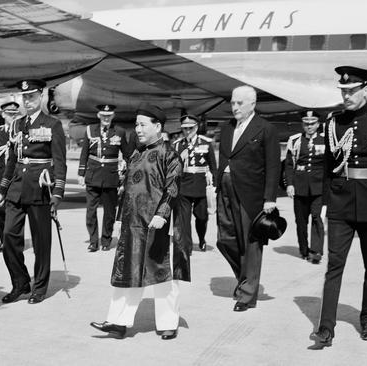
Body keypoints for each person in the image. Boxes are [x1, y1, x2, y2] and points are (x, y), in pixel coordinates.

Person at [313, 66, 367, 346]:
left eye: (352, 91)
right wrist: (326, 202)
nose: (347, 96)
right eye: (343, 91)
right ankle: (326, 327)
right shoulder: (333, 122)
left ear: (365, 89)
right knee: (334, 266)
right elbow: (328, 167)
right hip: (340, 201)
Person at [90, 103, 185, 340]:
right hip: (133, 224)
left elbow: (172, 187)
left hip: (157, 224)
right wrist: (121, 219)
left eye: (143, 124)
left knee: (162, 273)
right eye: (136, 124)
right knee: (128, 271)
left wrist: (162, 215)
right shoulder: (136, 153)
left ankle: (168, 323)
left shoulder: (168, 154)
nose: (138, 129)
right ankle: (118, 321)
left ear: (158, 126)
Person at [0, 79, 67, 304]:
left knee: (41, 241)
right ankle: (20, 281)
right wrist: (2, 190)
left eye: (32, 96)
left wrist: (57, 193)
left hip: (40, 188)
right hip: (16, 187)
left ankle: (40, 287)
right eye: (25, 97)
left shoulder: (52, 124)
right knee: (9, 236)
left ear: (41, 96)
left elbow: (60, 161)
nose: (28, 101)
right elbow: (12, 159)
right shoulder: (16, 125)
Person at [216, 85, 280, 312]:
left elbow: (273, 165)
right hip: (225, 190)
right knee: (225, 240)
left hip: (250, 194)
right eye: (232, 103)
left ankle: (247, 294)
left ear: (252, 104)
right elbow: (225, 158)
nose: (234, 107)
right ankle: (245, 279)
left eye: (239, 103)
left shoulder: (265, 129)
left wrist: (270, 198)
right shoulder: (227, 128)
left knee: (251, 244)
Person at [77, 104, 132, 252]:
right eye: (103, 116)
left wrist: (127, 173)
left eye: (109, 116)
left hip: (110, 176)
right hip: (93, 174)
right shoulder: (90, 130)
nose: (106, 118)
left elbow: (126, 154)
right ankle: (93, 241)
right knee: (90, 211)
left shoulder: (119, 131)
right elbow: (84, 154)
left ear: (113, 116)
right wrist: (81, 174)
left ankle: (106, 240)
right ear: (99, 116)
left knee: (109, 212)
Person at [284, 111, 325, 263]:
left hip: (318, 188)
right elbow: (289, 165)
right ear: (303, 124)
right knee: (301, 221)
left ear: (318, 124)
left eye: (312, 123)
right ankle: (303, 249)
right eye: (306, 124)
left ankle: (316, 251)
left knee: (317, 217)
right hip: (300, 187)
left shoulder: (325, 140)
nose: (309, 126)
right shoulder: (295, 140)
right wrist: (289, 184)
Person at [172, 115, 217, 252]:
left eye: (190, 128)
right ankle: (187, 246)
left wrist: (215, 186)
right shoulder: (177, 145)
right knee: (184, 220)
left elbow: (213, 167)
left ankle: (202, 238)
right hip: (184, 185)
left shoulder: (205, 143)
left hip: (200, 185)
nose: (187, 131)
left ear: (196, 127)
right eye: (185, 128)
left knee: (202, 217)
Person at [0, 96, 20, 253]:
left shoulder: (20, 131)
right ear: (3, 114)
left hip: (16, 177)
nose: (12, 116)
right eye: (9, 114)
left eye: (15, 114)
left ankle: (12, 242)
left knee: (14, 211)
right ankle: (3, 239)